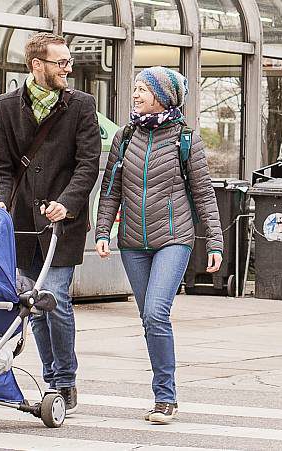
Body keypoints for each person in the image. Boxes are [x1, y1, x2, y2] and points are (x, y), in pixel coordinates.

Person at [92, 66, 225, 425]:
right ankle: (163, 394)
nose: (135, 95)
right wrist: (103, 230)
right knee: (147, 318)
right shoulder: (125, 137)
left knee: (155, 313)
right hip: (132, 242)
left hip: (174, 238)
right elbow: (110, 190)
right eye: (134, 88)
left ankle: (165, 397)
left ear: (163, 96)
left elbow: (203, 193)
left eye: (142, 89)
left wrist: (214, 239)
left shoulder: (186, 138)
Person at [0, 31, 102, 414]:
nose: (68, 69)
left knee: (55, 298)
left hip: (61, 222)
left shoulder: (82, 105)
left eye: (68, 62)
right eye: (61, 62)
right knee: (31, 304)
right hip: (20, 222)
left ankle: (64, 379)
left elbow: (88, 165)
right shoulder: (6, 106)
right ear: (37, 65)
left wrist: (66, 204)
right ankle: (51, 373)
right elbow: (0, 165)